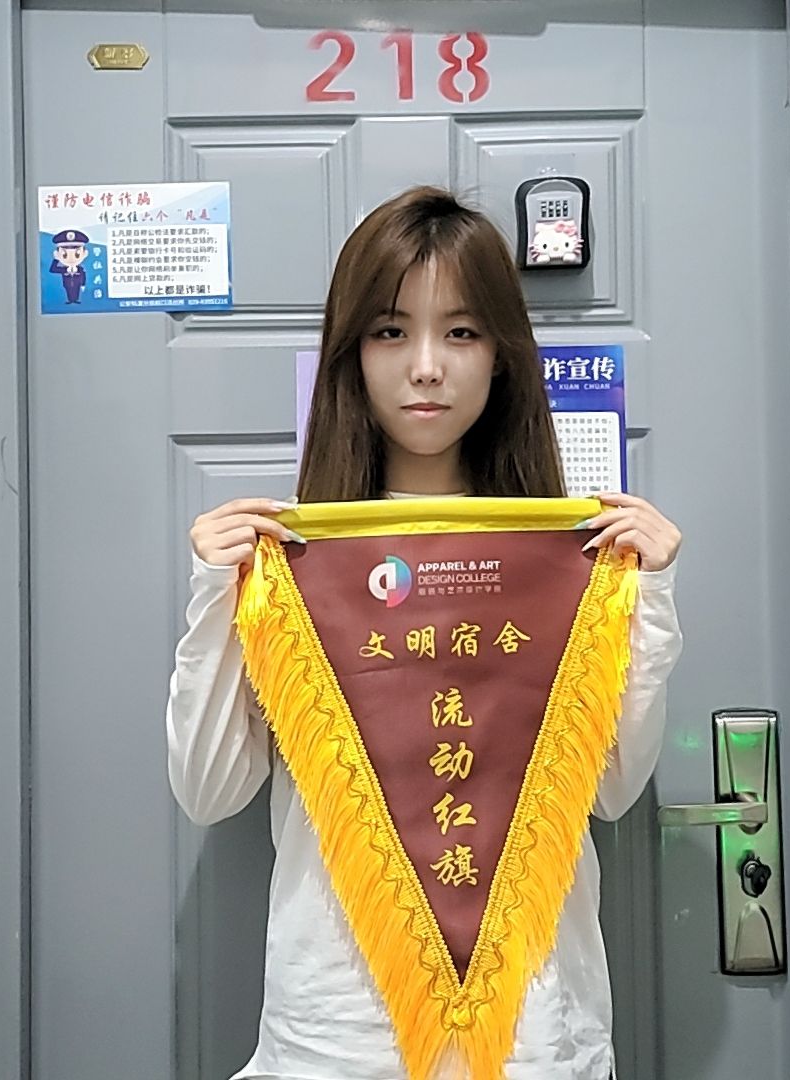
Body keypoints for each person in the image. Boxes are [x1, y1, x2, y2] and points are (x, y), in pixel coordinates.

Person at [165, 185, 683, 1080]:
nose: (428, 367)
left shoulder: (575, 559)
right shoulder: (286, 562)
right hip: (336, 1037)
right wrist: (217, 595)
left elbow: (611, 791)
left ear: (503, 355)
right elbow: (208, 791)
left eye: (463, 332)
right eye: (391, 331)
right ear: (352, 355)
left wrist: (649, 597)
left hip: (530, 1036)